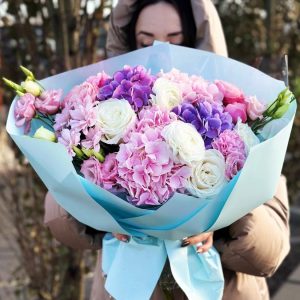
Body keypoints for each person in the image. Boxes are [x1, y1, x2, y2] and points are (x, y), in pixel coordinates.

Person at [44, 1, 290, 299]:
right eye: (144, 42)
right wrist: (105, 217)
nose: (160, 51)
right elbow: (59, 218)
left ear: (198, 42)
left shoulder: (240, 118)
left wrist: (223, 220)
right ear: (128, 43)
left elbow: (272, 251)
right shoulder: (98, 120)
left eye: (178, 41)